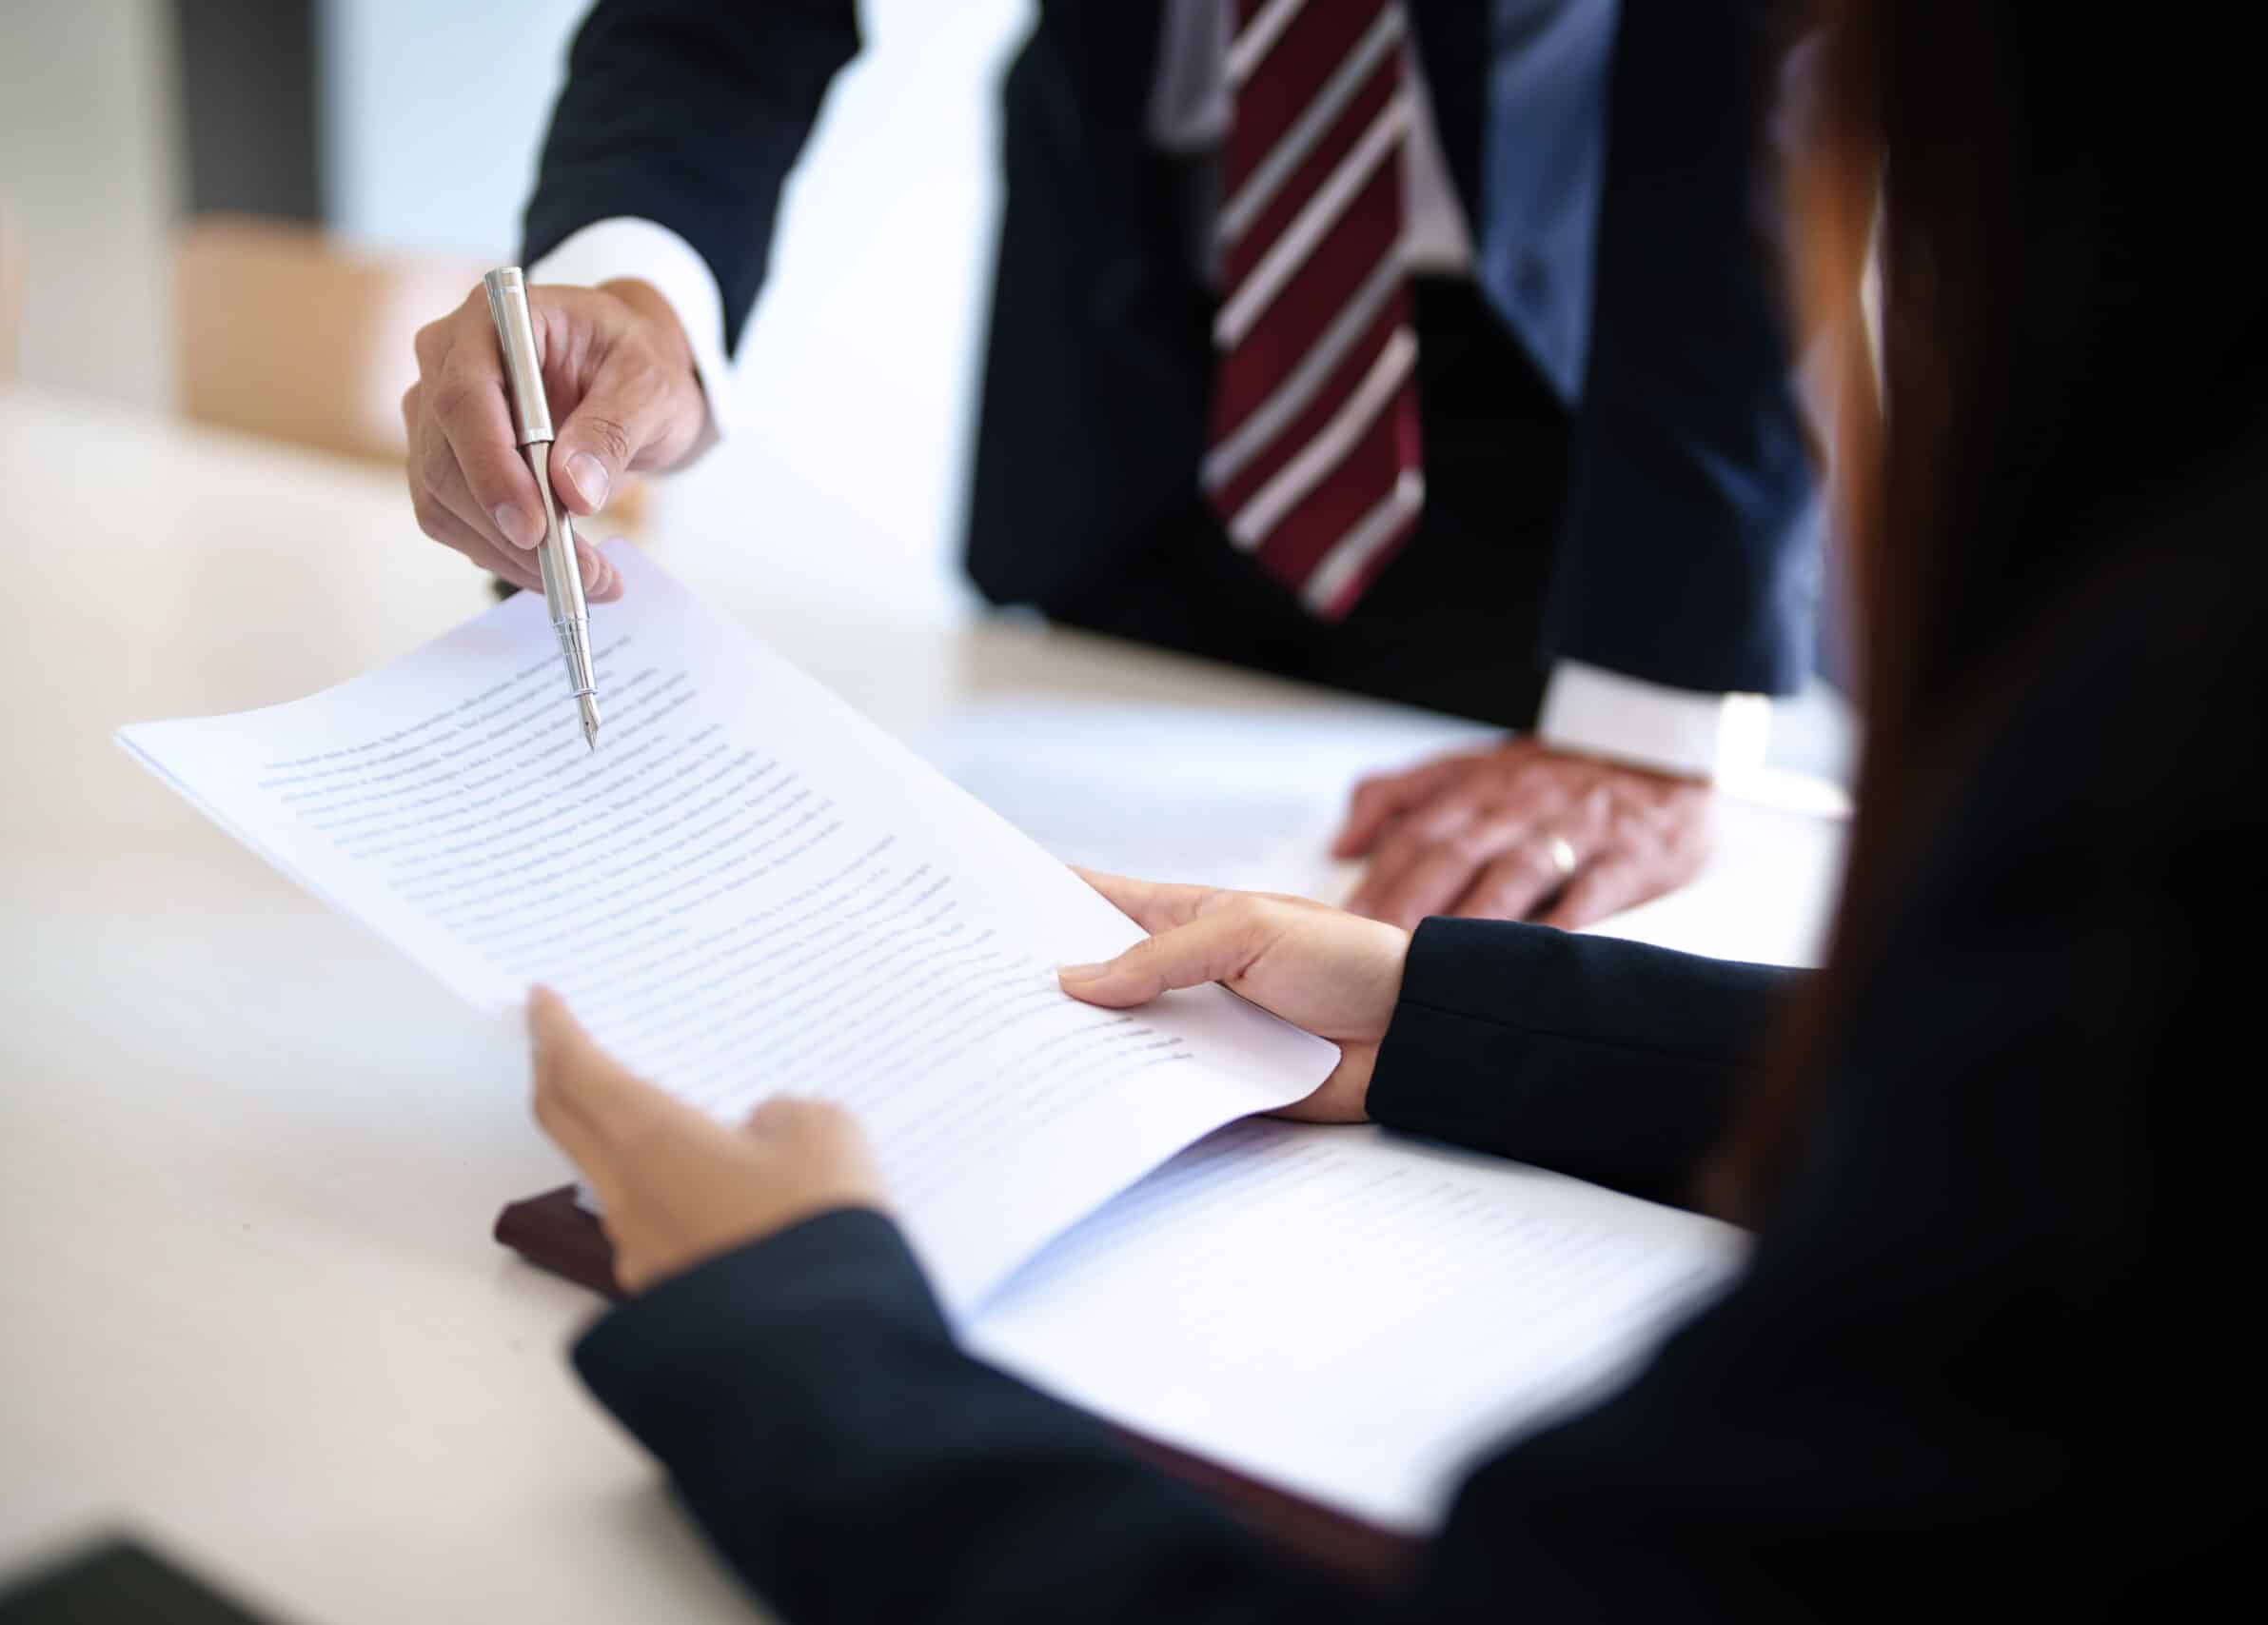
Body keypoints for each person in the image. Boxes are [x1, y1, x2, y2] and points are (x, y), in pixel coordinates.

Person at [514, 2, 2254, 1614]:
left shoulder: (2145, 794)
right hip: (1147, 366)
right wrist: (1455, 1016)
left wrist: (800, 1344)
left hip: (1537, 390)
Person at [401, 0, 1824, 931]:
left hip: (1595, 393)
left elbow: (1765, 87)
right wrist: (644, 286)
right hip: (1143, 347)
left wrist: (1656, 696)